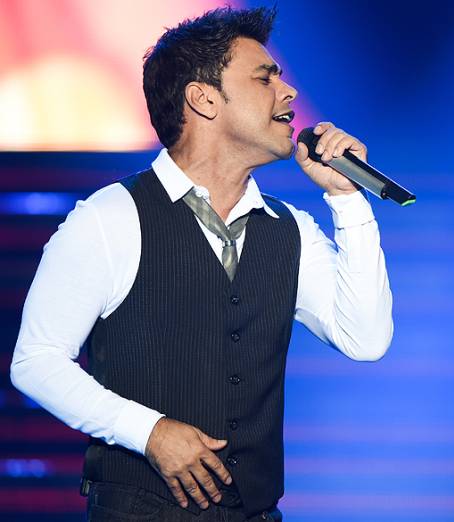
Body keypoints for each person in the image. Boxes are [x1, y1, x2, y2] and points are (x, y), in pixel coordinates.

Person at [10, 6, 393, 521]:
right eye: (265, 77)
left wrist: (348, 200)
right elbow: (36, 361)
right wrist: (147, 431)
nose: (289, 92)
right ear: (203, 97)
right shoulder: (110, 218)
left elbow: (365, 340)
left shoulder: (290, 228)